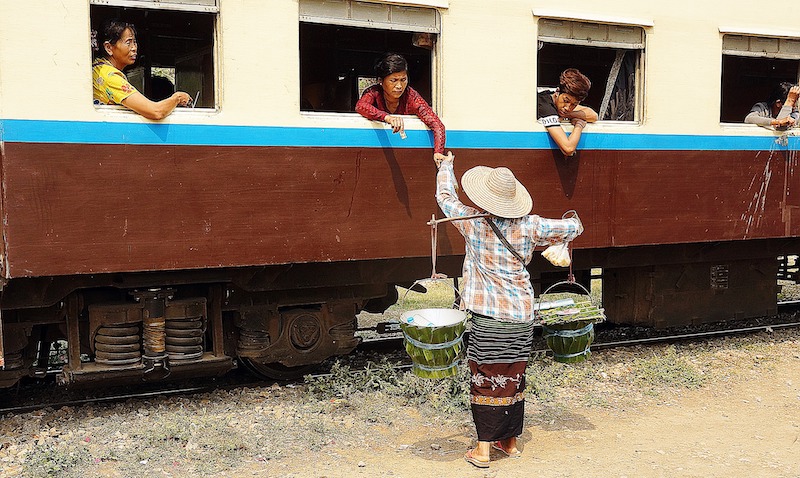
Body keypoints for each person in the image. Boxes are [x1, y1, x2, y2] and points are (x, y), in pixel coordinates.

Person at [434, 152, 583, 469]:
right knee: (514, 375)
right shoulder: (532, 226)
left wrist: (445, 166)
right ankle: (510, 443)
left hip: (490, 317)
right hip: (522, 315)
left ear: (485, 199)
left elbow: (445, 197)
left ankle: (483, 451)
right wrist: (569, 222)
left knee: (486, 378)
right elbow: (574, 228)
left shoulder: (472, 223)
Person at [355, 53, 447, 164]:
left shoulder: (411, 97)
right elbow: (361, 106)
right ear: (380, 81)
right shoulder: (373, 93)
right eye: (393, 81)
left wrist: (438, 152)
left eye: (403, 80)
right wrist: (387, 118)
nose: (399, 86)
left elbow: (437, 124)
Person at [92, 21, 191, 120]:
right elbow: (156, 112)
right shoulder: (109, 76)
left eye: (134, 42)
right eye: (128, 42)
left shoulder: (98, 68)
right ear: (109, 48)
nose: (134, 48)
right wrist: (177, 98)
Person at [537, 68, 598, 156]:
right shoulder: (545, 107)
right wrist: (579, 125)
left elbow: (593, 116)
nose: (568, 107)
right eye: (566, 101)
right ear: (557, 92)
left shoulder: (560, 104)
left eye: (574, 104)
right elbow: (568, 149)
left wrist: (569, 115)